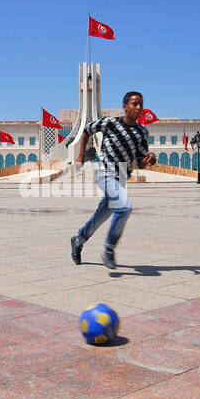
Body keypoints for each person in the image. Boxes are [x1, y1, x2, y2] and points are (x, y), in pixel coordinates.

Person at [70, 91, 156, 269]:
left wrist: (150, 159)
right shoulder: (110, 123)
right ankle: (109, 249)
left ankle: (78, 240)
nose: (138, 108)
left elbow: (141, 162)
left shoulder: (141, 132)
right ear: (125, 106)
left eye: (141, 104)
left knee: (101, 216)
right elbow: (86, 130)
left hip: (121, 178)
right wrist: (81, 155)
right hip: (105, 173)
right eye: (134, 104)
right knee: (124, 206)